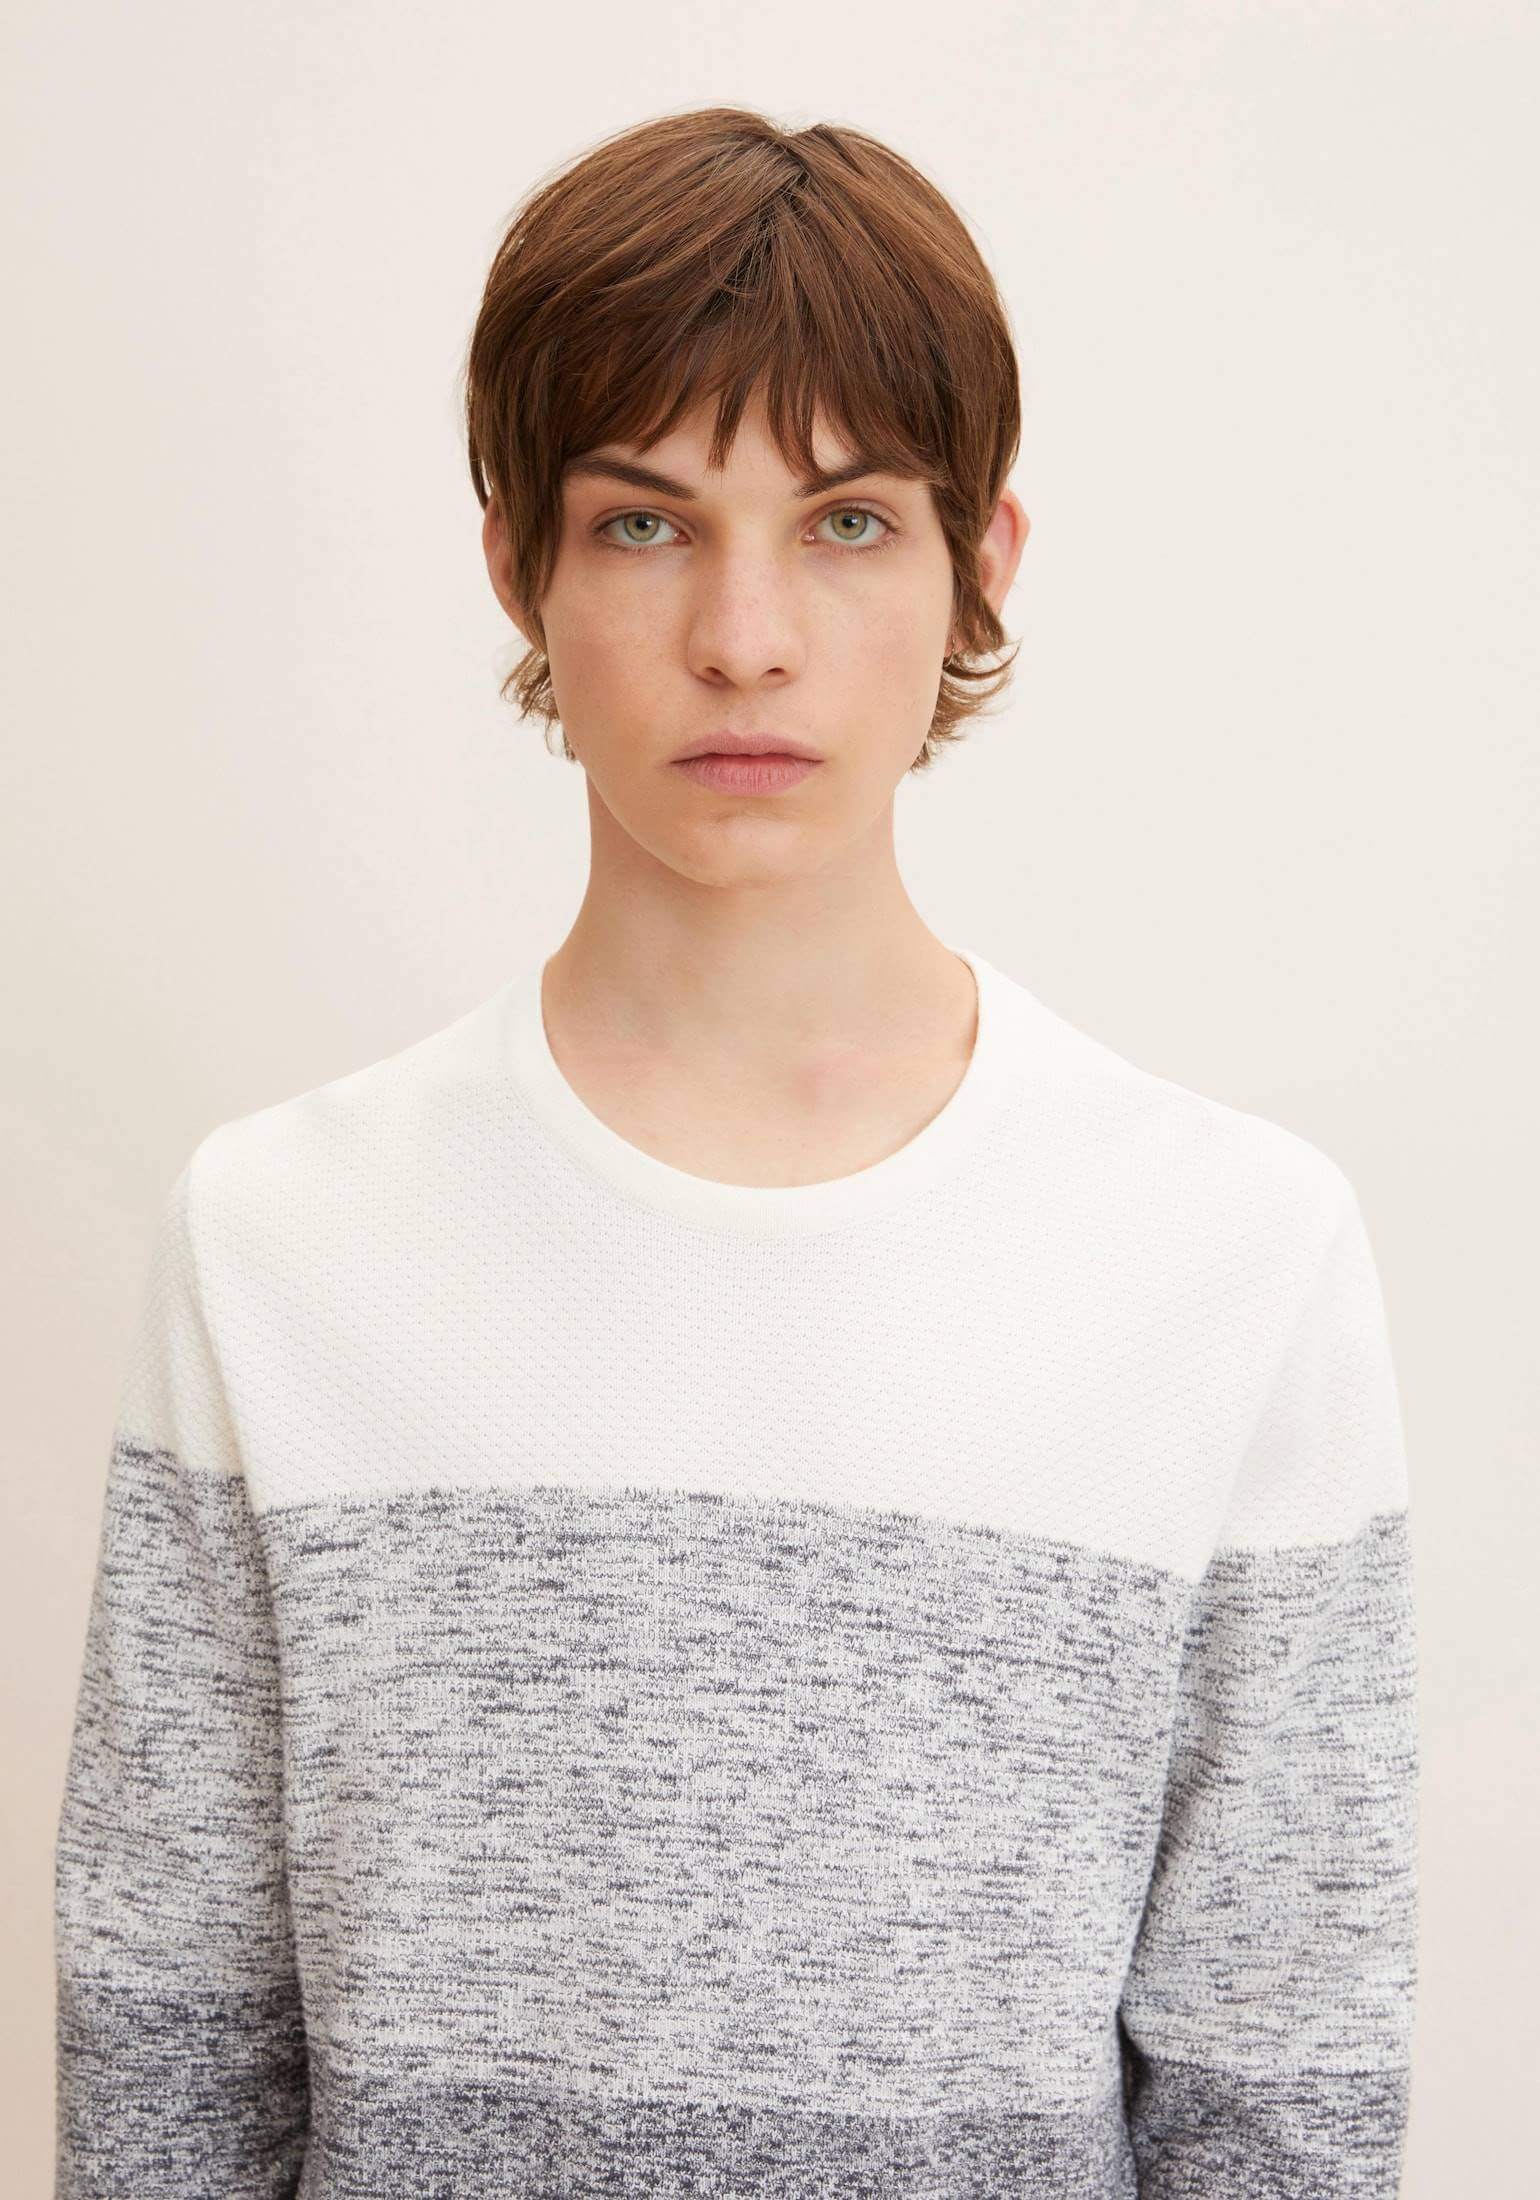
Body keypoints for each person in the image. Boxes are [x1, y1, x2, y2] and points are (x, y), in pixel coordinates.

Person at [54, 106, 1418, 2196]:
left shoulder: (1233, 1253)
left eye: (847, 521)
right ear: (516, 560)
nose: (745, 636)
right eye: (644, 524)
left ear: (981, 562)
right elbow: (167, 2066)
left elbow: (1280, 2099)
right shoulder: (278, 1239)